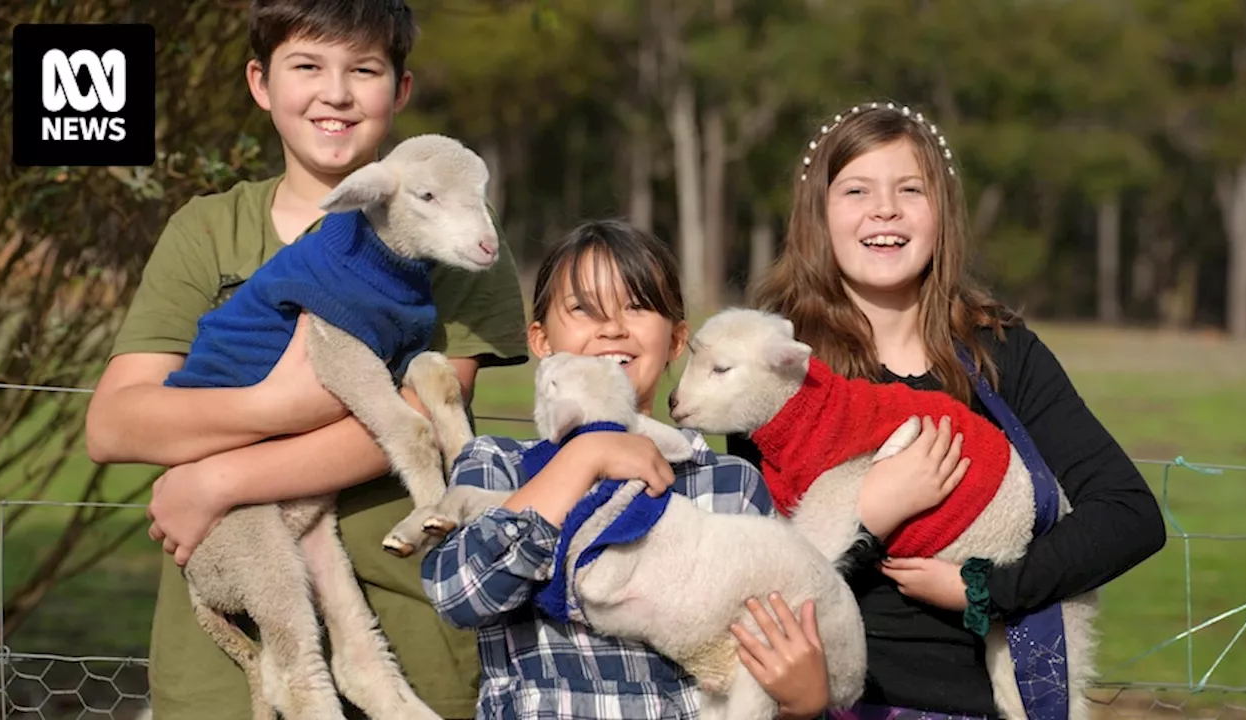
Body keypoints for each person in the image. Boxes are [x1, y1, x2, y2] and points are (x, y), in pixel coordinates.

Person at [83, 1, 530, 718]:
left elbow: (425, 413)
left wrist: (221, 478)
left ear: (401, 88)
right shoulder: (208, 231)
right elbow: (114, 425)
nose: (337, 92)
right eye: (307, 66)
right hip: (225, 677)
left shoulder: (450, 232)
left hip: (415, 633)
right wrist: (272, 405)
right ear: (260, 83)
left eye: (364, 68)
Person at [729, 101, 1167, 718]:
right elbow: (763, 575)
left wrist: (985, 590)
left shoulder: (1000, 353)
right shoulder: (778, 367)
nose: (885, 208)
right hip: (833, 701)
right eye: (856, 189)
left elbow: (1129, 515)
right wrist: (873, 510)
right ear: (818, 215)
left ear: (942, 216)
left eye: (911, 189)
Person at [422, 219, 850, 720]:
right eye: (583, 308)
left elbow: (769, 651)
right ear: (540, 340)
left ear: (676, 340)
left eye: (637, 306)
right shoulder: (499, 465)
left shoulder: (726, 484)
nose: (613, 327)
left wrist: (804, 704)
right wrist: (587, 457)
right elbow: (460, 592)